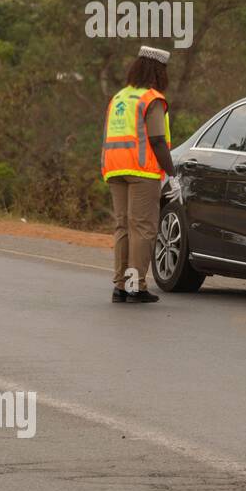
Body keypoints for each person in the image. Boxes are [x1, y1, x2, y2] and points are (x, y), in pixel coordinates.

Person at [101, 46, 175, 303]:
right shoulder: (151, 98)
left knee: (123, 227)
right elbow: (156, 139)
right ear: (158, 71)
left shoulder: (120, 97)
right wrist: (172, 172)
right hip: (141, 169)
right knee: (142, 228)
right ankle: (137, 286)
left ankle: (121, 286)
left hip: (114, 168)